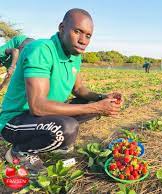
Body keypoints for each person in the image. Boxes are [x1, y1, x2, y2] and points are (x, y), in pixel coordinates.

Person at [0, 8, 123, 175]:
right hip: (15, 121)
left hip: (40, 117)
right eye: (77, 31)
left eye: (88, 35)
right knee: (66, 128)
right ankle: (21, 152)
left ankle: (51, 141)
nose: (83, 40)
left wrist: (102, 98)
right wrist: (97, 108)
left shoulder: (74, 56)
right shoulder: (41, 50)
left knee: (88, 103)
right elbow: (38, 106)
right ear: (62, 28)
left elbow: (78, 89)